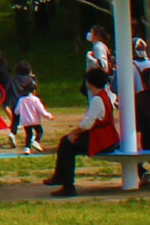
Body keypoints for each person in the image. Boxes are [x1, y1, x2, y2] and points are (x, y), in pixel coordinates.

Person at [48, 68, 118, 196]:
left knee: (67, 144)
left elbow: (87, 124)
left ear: (90, 82)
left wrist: (74, 133)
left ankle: (67, 185)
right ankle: (61, 178)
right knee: (66, 142)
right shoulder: (105, 96)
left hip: (102, 140)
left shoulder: (97, 100)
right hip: (108, 138)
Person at [12, 71, 48, 153]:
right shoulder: (35, 99)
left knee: (28, 135)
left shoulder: (21, 100)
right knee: (39, 131)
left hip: (25, 122)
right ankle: (36, 141)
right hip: (35, 121)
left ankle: (27, 148)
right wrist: (48, 115)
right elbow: (41, 110)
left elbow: (17, 111)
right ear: (33, 91)